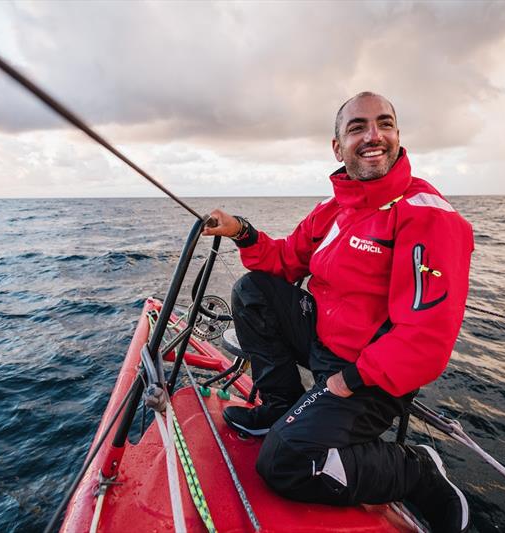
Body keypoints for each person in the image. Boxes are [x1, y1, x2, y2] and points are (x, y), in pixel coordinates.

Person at [203, 92, 474, 533]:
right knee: (253, 290)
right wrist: (243, 231)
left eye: (384, 124)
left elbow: (426, 338)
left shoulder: (427, 216)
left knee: (284, 462)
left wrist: (348, 380)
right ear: (337, 147)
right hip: (324, 342)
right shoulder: (334, 210)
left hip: (371, 374)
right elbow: (284, 260)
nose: (373, 136)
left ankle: (417, 470)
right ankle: (281, 404)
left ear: (398, 136)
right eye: (357, 127)